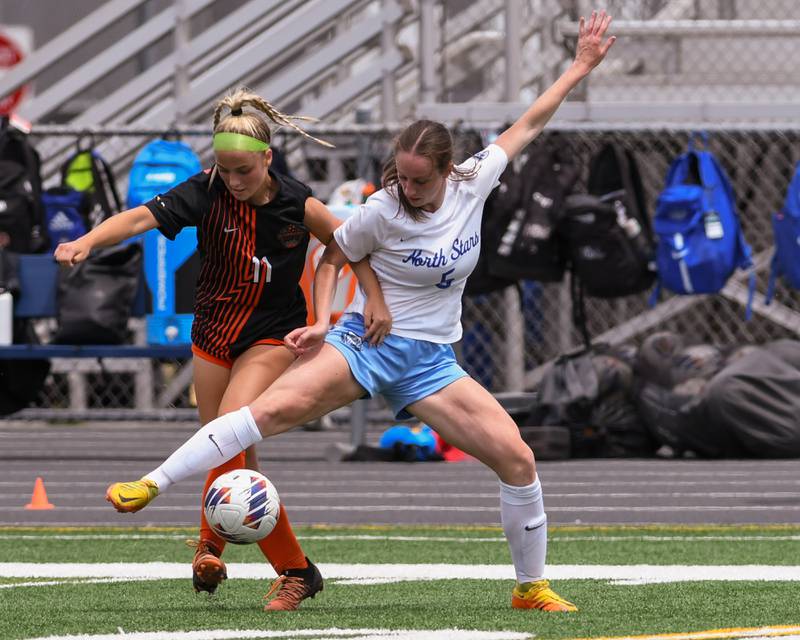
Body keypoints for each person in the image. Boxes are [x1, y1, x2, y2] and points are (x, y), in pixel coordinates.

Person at [105, 11, 615, 612]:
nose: (407, 189)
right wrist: (326, 319)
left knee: (518, 459)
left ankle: (530, 589)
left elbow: (529, 122)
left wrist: (579, 66)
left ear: (449, 172)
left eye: (419, 181)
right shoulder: (381, 209)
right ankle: (152, 483)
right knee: (264, 412)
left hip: (429, 362)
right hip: (365, 348)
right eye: (400, 176)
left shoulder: (474, 181)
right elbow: (331, 256)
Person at [55, 89, 392, 611]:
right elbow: (140, 218)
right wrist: (87, 241)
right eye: (224, 170)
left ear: (267, 159)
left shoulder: (295, 202)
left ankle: (271, 564)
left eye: (243, 171)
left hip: (272, 336)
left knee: (228, 427)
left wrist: (371, 296)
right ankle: (247, 558)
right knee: (229, 451)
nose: (233, 181)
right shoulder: (205, 191)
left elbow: (346, 242)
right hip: (212, 333)